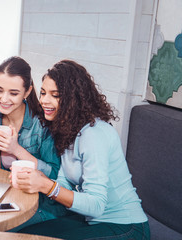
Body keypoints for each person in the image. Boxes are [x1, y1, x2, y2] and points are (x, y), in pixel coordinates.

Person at [16, 60, 150, 239]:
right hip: (92, 220)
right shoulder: (67, 130)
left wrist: (47, 186)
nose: (44, 101)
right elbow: (63, 181)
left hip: (127, 227)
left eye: (55, 95)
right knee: (24, 235)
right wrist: (41, 179)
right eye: (43, 93)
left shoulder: (93, 134)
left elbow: (96, 205)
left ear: (74, 99)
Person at [0, 56, 60, 179]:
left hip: (33, 196)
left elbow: (54, 173)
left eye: (13, 93)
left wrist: (15, 149)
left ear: (27, 92)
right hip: (3, 190)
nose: (4, 99)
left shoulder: (42, 124)